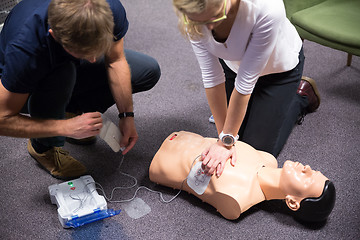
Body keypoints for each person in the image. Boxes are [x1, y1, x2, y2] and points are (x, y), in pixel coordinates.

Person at [0, 0, 160, 179]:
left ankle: (71, 112)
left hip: (60, 59)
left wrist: (126, 115)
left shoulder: (108, 8)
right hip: (23, 89)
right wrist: (64, 127)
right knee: (63, 74)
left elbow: (115, 60)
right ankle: (42, 147)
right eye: (83, 52)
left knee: (147, 71)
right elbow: (3, 119)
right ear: (55, 35)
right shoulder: (25, 50)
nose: (92, 59)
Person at [172, 0, 321, 177]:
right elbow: (212, 77)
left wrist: (225, 142)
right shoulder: (192, 13)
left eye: (215, 16)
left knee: (254, 155)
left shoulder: (267, 8)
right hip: (232, 67)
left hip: (278, 73)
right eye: (200, 21)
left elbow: (245, 84)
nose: (209, 27)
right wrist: (224, 139)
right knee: (234, 144)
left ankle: (300, 96)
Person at [149, 131, 336, 222]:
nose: (308, 168)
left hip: (160, 162)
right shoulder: (268, 159)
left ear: (293, 202)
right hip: (181, 135)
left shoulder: (238, 199)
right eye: (314, 171)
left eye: (308, 179)